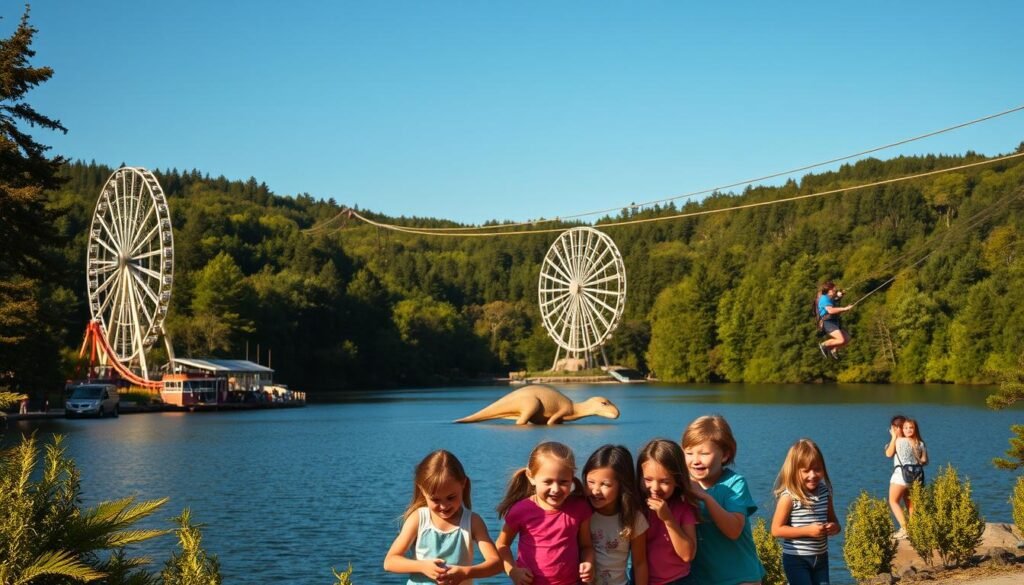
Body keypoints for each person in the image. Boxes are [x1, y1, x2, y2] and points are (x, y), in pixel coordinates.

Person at [384, 450, 501, 584]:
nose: (444, 506)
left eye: (451, 497)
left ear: (463, 484)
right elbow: (390, 562)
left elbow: (496, 564)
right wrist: (422, 566)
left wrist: (465, 573)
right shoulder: (418, 519)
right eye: (436, 500)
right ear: (422, 490)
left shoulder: (472, 522)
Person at [496, 441, 595, 585]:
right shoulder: (521, 510)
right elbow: (502, 545)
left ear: (572, 477)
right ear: (531, 477)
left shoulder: (580, 508)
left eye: (563, 482)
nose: (555, 489)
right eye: (548, 482)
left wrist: (588, 563)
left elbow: (586, 546)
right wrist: (513, 571)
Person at [682, 415, 765, 585]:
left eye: (704, 453)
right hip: (701, 578)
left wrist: (705, 497)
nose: (695, 460)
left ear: (725, 455)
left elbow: (734, 530)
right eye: (689, 453)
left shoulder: (734, 484)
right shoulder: (681, 485)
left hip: (741, 577)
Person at [770, 439, 840, 585]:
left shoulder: (825, 492)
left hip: (821, 558)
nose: (812, 475)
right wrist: (808, 531)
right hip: (797, 559)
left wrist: (833, 527)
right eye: (806, 471)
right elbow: (776, 530)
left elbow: (835, 522)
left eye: (817, 469)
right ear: (794, 471)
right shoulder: (789, 496)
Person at [583, 444, 649, 585]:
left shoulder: (634, 518)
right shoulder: (581, 513)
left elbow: (639, 563)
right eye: (590, 482)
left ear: (622, 485)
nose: (595, 491)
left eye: (605, 484)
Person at [636, 439, 697, 585]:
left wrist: (668, 519)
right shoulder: (638, 508)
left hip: (679, 580)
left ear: (678, 480)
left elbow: (688, 555)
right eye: (648, 479)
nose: (655, 487)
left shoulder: (683, 508)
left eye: (664, 481)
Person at [885, 416, 928, 539]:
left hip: (900, 476)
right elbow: (924, 461)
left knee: (893, 501)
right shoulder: (920, 443)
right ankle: (914, 530)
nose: (908, 429)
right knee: (910, 504)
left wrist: (894, 437)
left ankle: (905, 529)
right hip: (916, 477)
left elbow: (888, 454)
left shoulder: (899, 441)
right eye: (906, 427)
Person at [816, 280, 853, 359]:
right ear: (829, 290)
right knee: (841, 340)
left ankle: (834, 350)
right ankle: (824, 345)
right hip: (828, 322)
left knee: (847, 338)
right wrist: (845, 309)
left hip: (835, 321)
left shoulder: (830, 297)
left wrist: (840, 295)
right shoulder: (824, 299)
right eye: (833, 289)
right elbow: (830, 310)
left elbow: (835, 299)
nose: (835, 290)